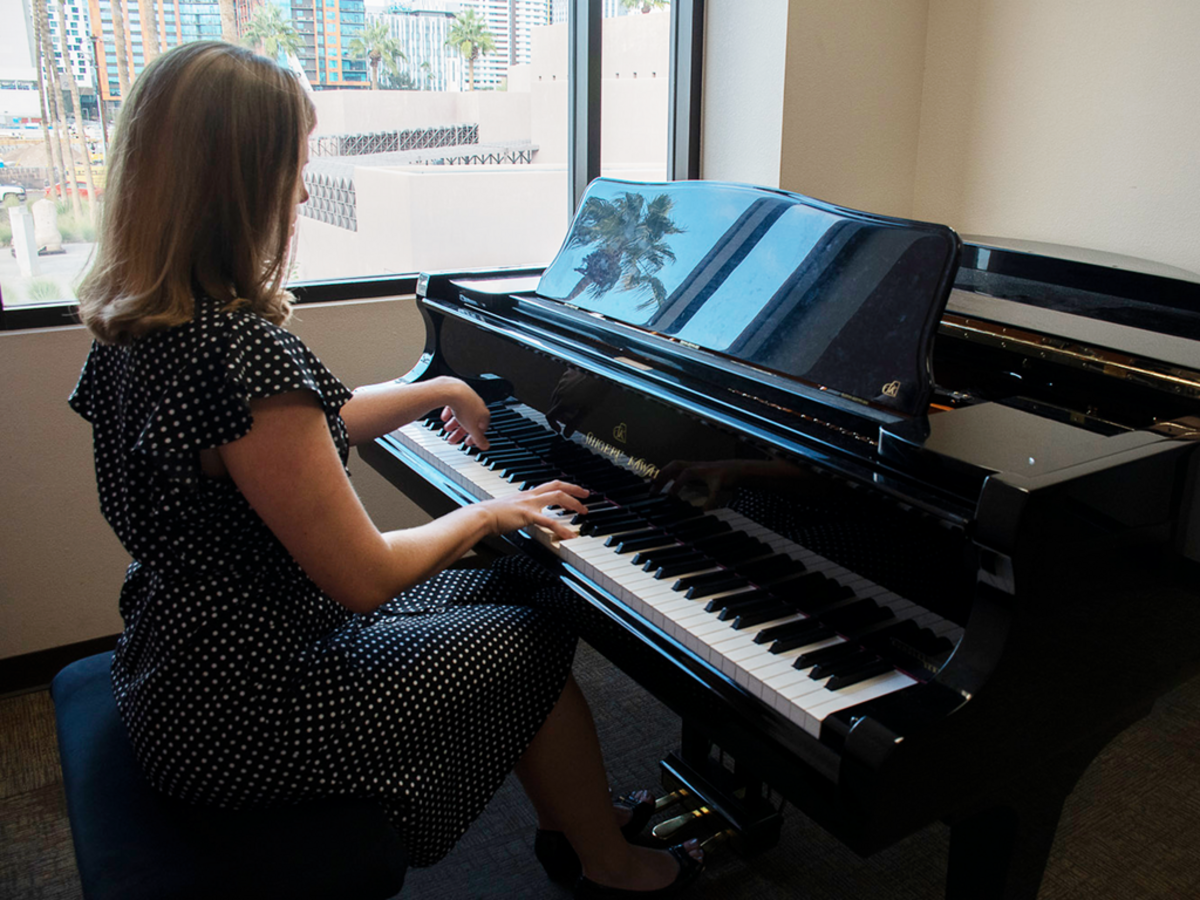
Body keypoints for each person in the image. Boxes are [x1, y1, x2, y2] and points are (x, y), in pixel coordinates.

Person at [68, 41, 702, 897]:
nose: (300, 190)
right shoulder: (241, 350)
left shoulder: (140, 327)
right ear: (241, 180)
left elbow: (286, 434)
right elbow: (364, 578)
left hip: (181, 665)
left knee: (520, 583)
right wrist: (490, 512)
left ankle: (581, 833)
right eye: (294, 163)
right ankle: (608, 862)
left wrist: (433, 386)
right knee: (537, 627)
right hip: (251, 709)